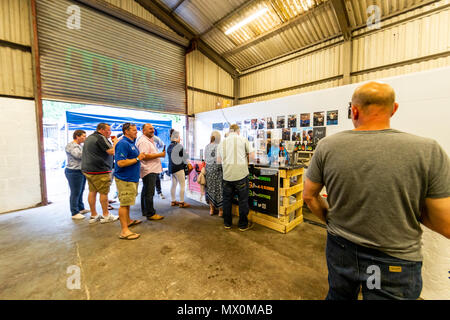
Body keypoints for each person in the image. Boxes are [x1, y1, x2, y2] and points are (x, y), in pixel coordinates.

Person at [303, 81, 450, 300]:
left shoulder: (327, 146)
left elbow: (309, 196)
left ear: (354, 110)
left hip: (340, 246)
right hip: (396, 258)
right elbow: (445, 223)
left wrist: (330, 220)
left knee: (339, 295)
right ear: (394, 108)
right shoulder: (428, 150)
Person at [217, 124, 255, 231]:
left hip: (227, 176)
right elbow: (252, 157)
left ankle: (227, 223)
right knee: (243, 200)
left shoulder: (222, 143)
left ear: (229, 131)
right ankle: (242, 225)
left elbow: (218, 161)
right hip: (241, 175)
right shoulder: (243, 139)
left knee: (227, 200)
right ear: (238, 131)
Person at [81, 123, 119, 224]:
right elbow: (112, 151)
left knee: (92, 191)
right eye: (108, 130)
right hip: (100, 170)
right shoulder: (100, 138)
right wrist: (115, 142)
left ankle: (94, 215)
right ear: (101, 130)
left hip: (88, 170)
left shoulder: (90, 137)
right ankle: (106, 215)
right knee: (103, 192)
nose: (110, 132)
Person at [114, 123, 146, 240]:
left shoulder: (131, 143)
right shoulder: (123, 143)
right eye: (133, 130)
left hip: (131, 178)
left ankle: (128, 221)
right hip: (125, 178)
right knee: (124, 204)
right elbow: (120, 163)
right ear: (126, 131)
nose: (136, 132)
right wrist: (138, 158)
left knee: (127, 203)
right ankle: (124, 231)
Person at [136, 123, 166, 221]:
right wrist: (160, 155)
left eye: (153, 128)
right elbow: (144, 156)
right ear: (143, 131)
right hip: (149, 169)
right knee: (149, 193)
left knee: (146, 192)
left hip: (151, 169)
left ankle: (146, 211)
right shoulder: (144, 141)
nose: (152, 130)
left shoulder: (149, 140)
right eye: (150, 129)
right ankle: (150, 213)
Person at [65, 129, 89, 220]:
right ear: (77, 136)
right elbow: (78, 155)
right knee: (75, 192)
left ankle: (81, 208)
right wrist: (89, 150)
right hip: (73, 171)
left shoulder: (80, 145)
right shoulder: (72, 146)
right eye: (83, 136)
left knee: (80, 190)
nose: (85, 138)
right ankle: (74, 212)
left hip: (81, 171)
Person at [167, 129, 190, 208]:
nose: (180, 139)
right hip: (179, 168)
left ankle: (173, 201)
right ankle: (182, 202)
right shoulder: (179, 146)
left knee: (173, 185)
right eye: (179, 137)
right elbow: (185, 158)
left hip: (171, 168)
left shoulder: (169, 146)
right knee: (182, 185)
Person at [204, 131, 223, 216]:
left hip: (209, 171)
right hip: (217, 171)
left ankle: (211, 209)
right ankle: (220, 211)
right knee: (219, 190)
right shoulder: (219, 147)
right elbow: (219, 160)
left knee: (210, 189)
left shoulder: (207, 146)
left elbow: (205, 159)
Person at [152, 128, 166, 199]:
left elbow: (162, 144)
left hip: (155, 160)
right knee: (147, 180)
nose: (151, 131)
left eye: (152, 130)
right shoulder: (142, 139)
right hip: (146, 162)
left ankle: (159, 192)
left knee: (157, 178)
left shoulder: (155, 138)